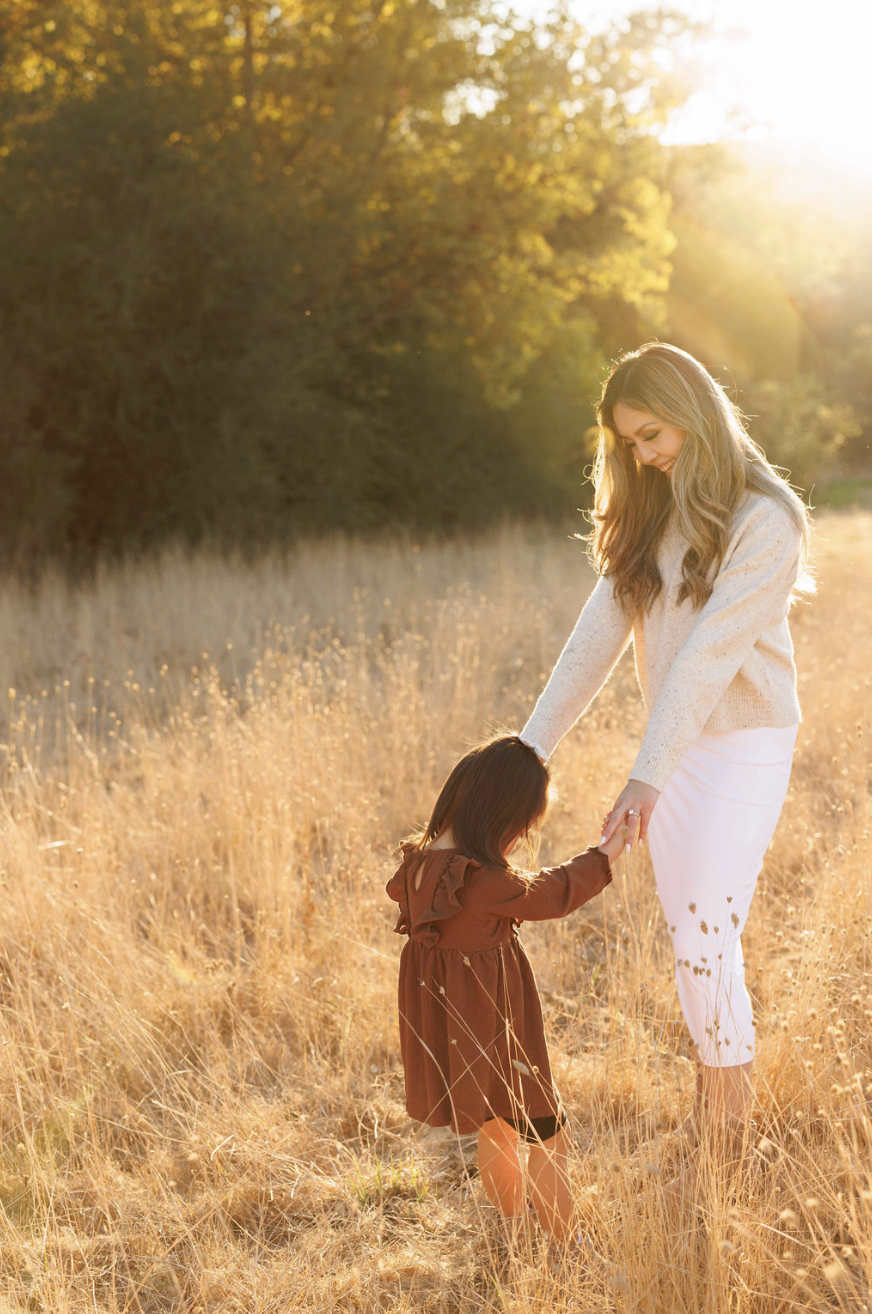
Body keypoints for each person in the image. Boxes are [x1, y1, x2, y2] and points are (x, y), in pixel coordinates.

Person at [519, 342, 812, 1165]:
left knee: (705, 932)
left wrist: (643, 777)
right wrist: (529, 748)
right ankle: (714, 1103)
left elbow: (708, 657)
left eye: (652, 434)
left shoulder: (767, 518)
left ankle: (729, 1131)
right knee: (692, 930)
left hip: (743, 743)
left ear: (694, 409)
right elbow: (596, 639)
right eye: (629, 444)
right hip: (677, 746)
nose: (643, 455)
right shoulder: (651, 512)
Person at [386, 735, 622, 1241]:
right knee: (546, 1135)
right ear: (498, 818)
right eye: (523, 828)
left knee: (494, 1128)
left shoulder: (417, 868)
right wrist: (606, 855)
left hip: (457, 1035)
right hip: (500, 1031)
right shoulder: (483, 881)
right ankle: (564, 1244)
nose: (520, 841)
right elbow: (554, 893)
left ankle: (515, 1229)